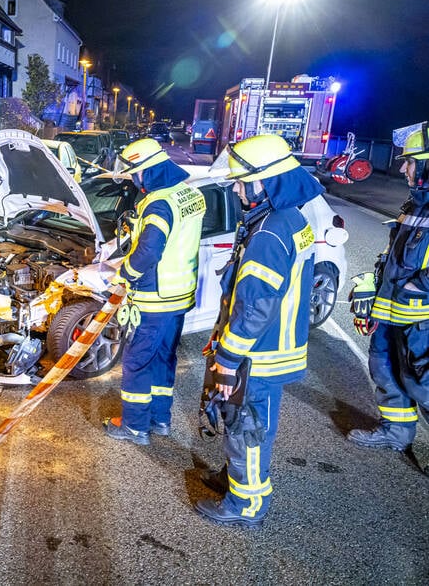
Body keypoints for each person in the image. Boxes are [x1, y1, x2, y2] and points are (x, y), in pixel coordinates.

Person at [196, 134, 323, 528]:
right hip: (273, 348)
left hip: (258, 355)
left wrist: (228, 356)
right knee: (246, 424)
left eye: (241, 182)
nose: (236, 189)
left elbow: (256, 307)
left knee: (246, 427)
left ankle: (247, 504)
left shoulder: (269, 234)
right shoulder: (288, 218)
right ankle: (235, 479)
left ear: (264, 181)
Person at [102, 138, 206, 445]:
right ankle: (160, 420)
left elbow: (148, 251)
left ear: (146, 171)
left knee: (137, 362)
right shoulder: (189, 193)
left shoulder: (159, 203)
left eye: (135, 173)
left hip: (154, 298)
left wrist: (124, 274)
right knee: (163, 360)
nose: (134, 180)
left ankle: (134, 426)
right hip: (179, 296)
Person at [346, 122, 429, 451]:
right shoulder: (413, 204)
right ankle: (395, 432)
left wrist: (412, 289)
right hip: (392, 309)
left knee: (422, 382)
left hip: (421, 319)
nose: (403, 167)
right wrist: (372, 285)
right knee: (385, 368)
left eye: (411, 161)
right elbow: (394, 253)